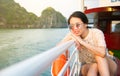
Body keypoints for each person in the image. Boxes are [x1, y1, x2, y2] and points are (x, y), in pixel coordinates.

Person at [59, 11, 117, 76]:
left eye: (78, 25)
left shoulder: (96, 33)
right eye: (71, 26)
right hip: (88, 66)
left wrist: (82, 42)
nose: (75, 28)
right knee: (94, 66)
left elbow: (102, 53)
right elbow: (57, 48)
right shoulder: (73, 34)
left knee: (99, 56)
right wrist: (69, 37)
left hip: (106, 64)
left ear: (86, 24)